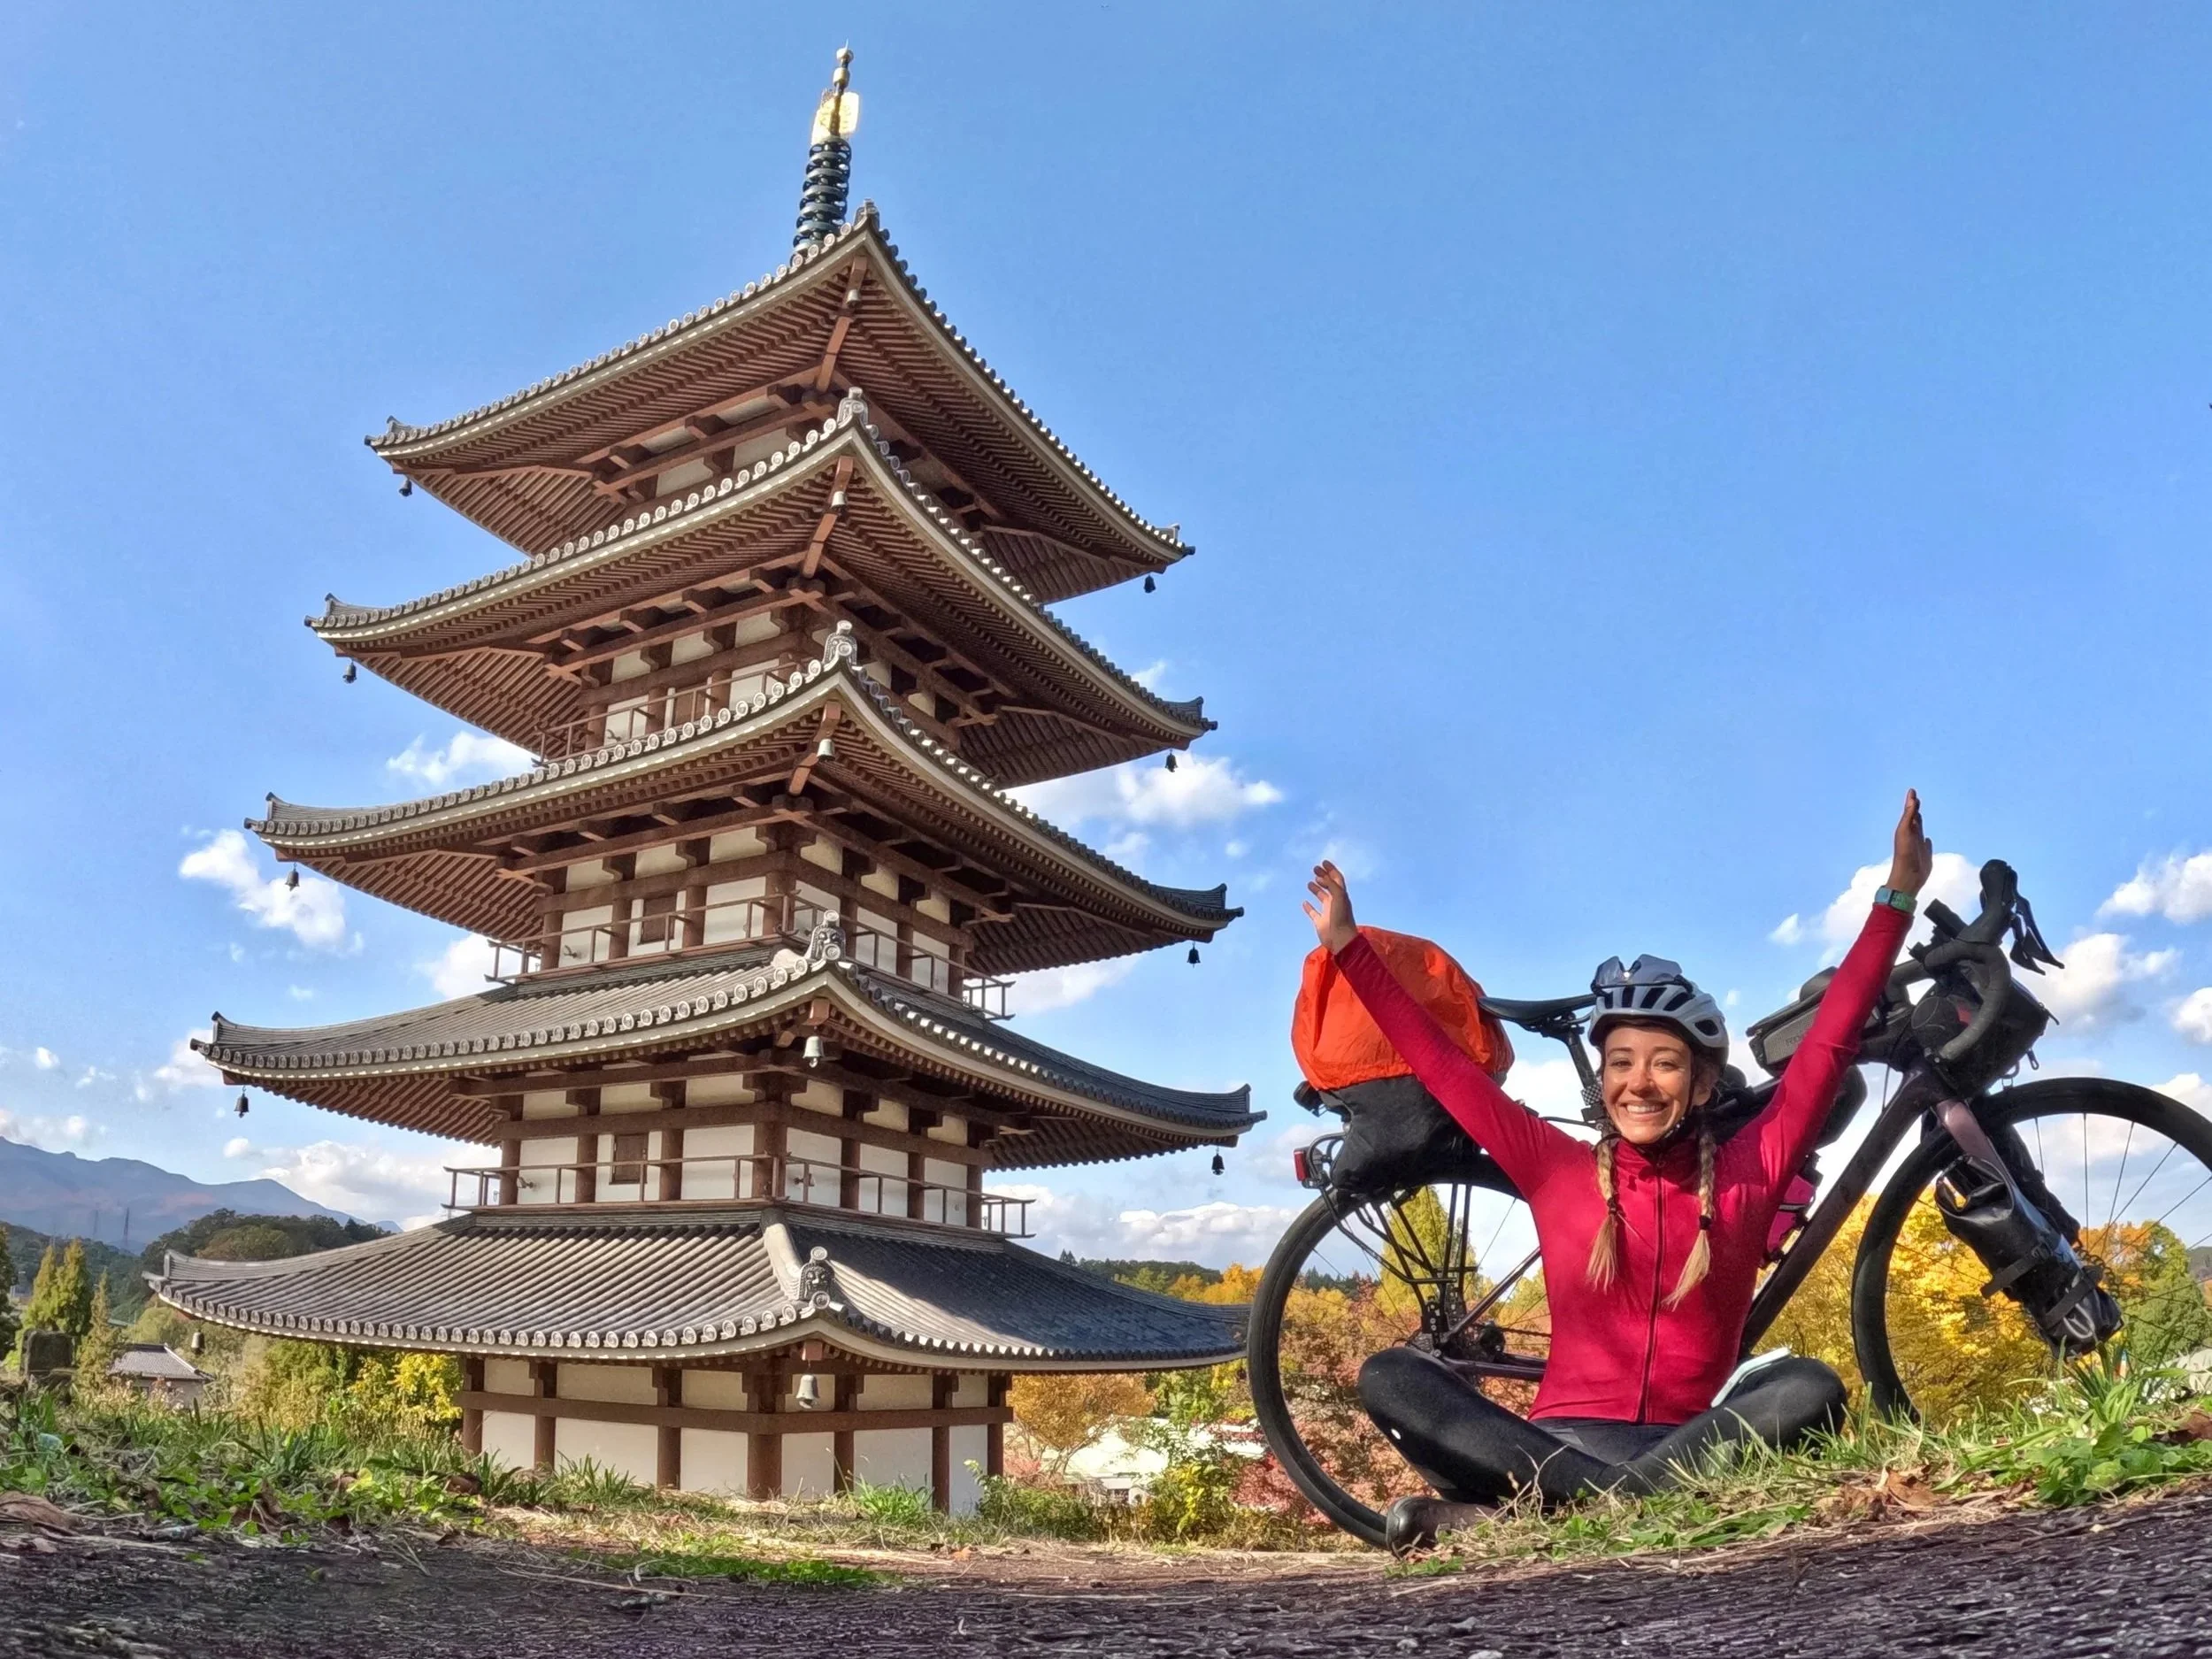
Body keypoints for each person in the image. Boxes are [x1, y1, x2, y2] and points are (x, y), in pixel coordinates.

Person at [1302, 791, 1933, 1553]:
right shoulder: (1553, 1166)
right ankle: (1625, 1507)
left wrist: (1897, 896)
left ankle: (1560, 1515)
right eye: (1622, 1063)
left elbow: (1830, 1043)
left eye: (1665, 1063)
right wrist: (1349, 949)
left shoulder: (1749, 1166)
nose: (1640, 1081)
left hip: (1692, 1442)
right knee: (1390, 1375)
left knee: (1814, 1388)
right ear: (1603, 1082)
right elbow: (1441, 1067)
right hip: (1557, 1448)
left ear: (1701, 1083)